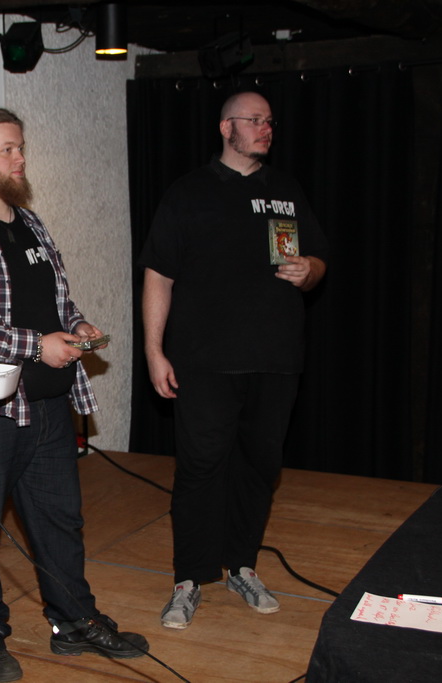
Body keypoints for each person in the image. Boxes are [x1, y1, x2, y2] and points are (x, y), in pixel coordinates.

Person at [0, 106, 149, 683]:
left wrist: (77, 326)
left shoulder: (30, 222)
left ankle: (73, 621)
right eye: (7, 149)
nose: (19, 158)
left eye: (20, 147)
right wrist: (37, 345)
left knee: (60, 520)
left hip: (47, 403)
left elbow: (56, 301)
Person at [140, 91, 329, 629]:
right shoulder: (188, 193)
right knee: (200, 469)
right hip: (203, 362)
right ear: (226, 128)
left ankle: (243, 566)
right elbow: (158, 275)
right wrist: (154, 350)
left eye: (270, 121)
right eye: (254, 120)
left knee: (260, 467)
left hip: (276, 359)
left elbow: (318, 261)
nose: (266, 128)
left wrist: (309, 270)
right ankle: (189, 579)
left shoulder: (286, 190)